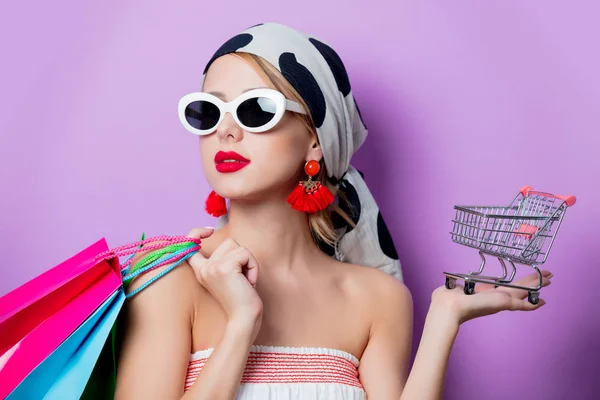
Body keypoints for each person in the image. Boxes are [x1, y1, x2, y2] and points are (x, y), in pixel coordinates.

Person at [114, 23, 552, 400]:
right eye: (207, 112)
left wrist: (444, 318)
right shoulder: (168, 277)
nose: (226, 130)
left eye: (255, 110)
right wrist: (242, 322)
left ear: (315, 140)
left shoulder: (378, 299)